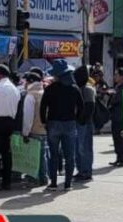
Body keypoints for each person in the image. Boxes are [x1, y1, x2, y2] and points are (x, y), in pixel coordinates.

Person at [40, 61, 84, 191]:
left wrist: (44, 121)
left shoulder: (50, 88)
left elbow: (43, 107)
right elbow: (81, 107)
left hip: (53, 124)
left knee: (53, 155)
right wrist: (76, 119)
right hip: (70, 124)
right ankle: (68, 184)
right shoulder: (74, 88)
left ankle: (53, 183)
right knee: (69, 156)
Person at [19, 70, 49, 185]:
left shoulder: (30, 96)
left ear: (30, 81)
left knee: (34, 157)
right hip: (44, 129)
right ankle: (44, 177)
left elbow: (28, 117)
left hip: (34, 130)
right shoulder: (44, 92)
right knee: (43, 155)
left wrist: (25, 133)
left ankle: (35, 178)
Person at [74, 65, 96, 181]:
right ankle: (81, 170)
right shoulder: (80, 87)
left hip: (85, 123)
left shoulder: (87, 89)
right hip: (79, 122)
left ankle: (86, 171)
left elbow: (90, 107)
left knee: (84, 148)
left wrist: (82, 120)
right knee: (78, 148)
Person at [108, 68, 123, 167]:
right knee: (116, 138)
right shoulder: (117, 87)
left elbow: (117, 100)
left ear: (122, 76)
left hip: (122, 118)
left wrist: (112, 95)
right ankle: (118, 157)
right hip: (115, 117)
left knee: (121, 138)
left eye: (116, 75)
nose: (114, 77)